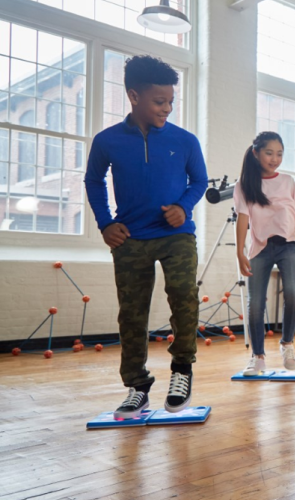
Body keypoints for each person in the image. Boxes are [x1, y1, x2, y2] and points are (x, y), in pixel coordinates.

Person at [84, 55, 207, 418]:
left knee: (184, 297)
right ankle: (137, 387)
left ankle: (182, 369)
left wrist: (183, 206)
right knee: (132, 313)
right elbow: (93, 180)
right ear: (134, 96)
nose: (167, 108)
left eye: (171, 101)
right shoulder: (107, 140)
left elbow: (199, 180)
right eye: (159, 101)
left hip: (176, 235)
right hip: (130, 238)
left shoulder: (185, 141)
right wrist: (105, 223)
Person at [233, 132, 295, 376]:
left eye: (279, 154)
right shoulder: (244, 185)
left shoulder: (287, 181)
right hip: (260, 247)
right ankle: (257, 357)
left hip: (289, 244)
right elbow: (242, 218)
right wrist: (240, 251)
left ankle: (287, 344)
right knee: (256, 303)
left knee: (293, 294)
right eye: (269, 153)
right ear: (256, 153)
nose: (275, 159)